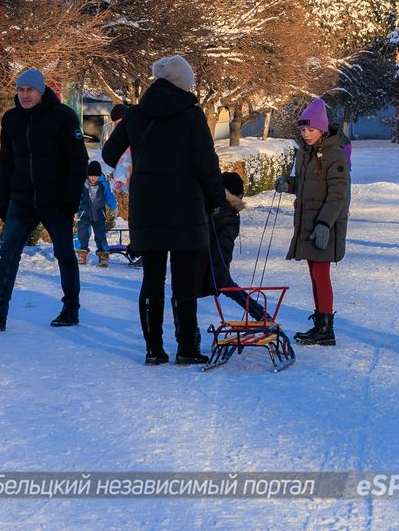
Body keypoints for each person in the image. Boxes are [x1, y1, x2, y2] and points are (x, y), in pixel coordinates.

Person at [101, 56, 224, 365]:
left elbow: (108, 153)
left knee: (151, 280)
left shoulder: (135, 115)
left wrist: (139, 161)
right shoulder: (193, 117)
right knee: (185, 280)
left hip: (148, 209)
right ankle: (186, 349)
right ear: (184, 84)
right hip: (185, 208)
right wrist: (215, 199)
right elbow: (207, 165)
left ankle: (154, 349)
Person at [0, 69, 88, 332]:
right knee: (9, 252)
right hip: (22, 200)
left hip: (56, 201)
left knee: (64, 254)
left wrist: (70, 199)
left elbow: (79, 160)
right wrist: (2, 200)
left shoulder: (63, 117)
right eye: (21, 90)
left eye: (30, 90)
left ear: (41, 90)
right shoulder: (12, 119)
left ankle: (71, 309)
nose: (24, 95)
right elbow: (7, 162)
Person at [276, 98, 351, 346]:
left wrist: (324, 224)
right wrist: (290, 185)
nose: (306, 134)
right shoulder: (306, 154)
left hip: (323, 226)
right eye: (303, 130)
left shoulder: (334, 155)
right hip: (308, 222)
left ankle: (326, 328)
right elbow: (307, 185)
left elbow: (338, 195)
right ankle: (320, 323)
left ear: (322, 128)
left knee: (321, 273)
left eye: (311, 129)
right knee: (314, 273)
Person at [203, 171, 268, 322]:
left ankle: (260, 314)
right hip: (214, 266)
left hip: (201, 263)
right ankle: (261, 315)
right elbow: (223, 247)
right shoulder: (228, 216)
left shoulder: (212, 209)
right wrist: (220, 273)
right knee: (229, 287)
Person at [76, 160, 116, 267]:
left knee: (100, 235)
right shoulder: (83, 182)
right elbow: (77, 197)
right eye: (90, 175)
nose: (93, 178)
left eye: (95, 176)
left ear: (99, 175)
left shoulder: (103, 183)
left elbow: (109, 196)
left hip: (99, 213)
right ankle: (82, 254)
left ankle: (103, 256)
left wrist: (113, 206)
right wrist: (74, 209)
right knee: (82, 234)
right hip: (84, 213)